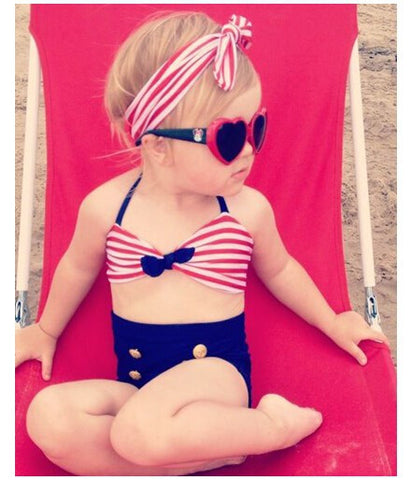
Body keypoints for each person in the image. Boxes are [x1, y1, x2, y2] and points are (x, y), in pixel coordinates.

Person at [15, 11, 389, 476]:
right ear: (158, 147)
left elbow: (282, 271)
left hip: (214, 378)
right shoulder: (107, 208)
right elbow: (75, 267)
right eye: (229, 137)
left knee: (134, 432)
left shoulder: (246, 211)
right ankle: (193, 459)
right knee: (48, 418)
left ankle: (272, 427)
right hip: (135, 384)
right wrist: (45, 331)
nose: (249, 150)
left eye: (256, 128)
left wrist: (334, 321)